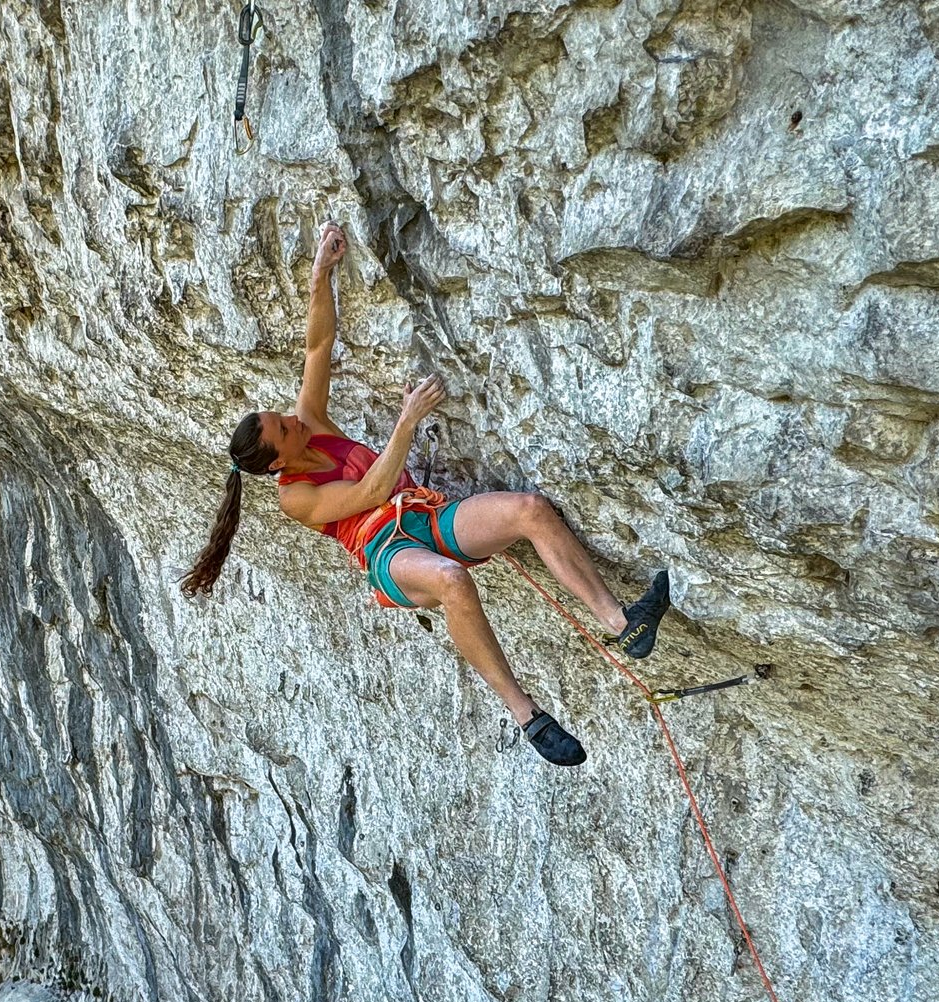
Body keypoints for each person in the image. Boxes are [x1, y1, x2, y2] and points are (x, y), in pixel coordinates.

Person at [181, 220, 670, 767]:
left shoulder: (310, 422)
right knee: (450, 580)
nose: (293, 419)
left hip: (423, 517)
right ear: (278, 462)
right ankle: (526, 715)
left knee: (531, 510)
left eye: (283, 416)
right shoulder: (294, 498)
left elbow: (317, 344)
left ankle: (622, 625)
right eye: (284, 429)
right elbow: (372, 489)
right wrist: (407, 420)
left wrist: (322, 272)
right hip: (388, 553)